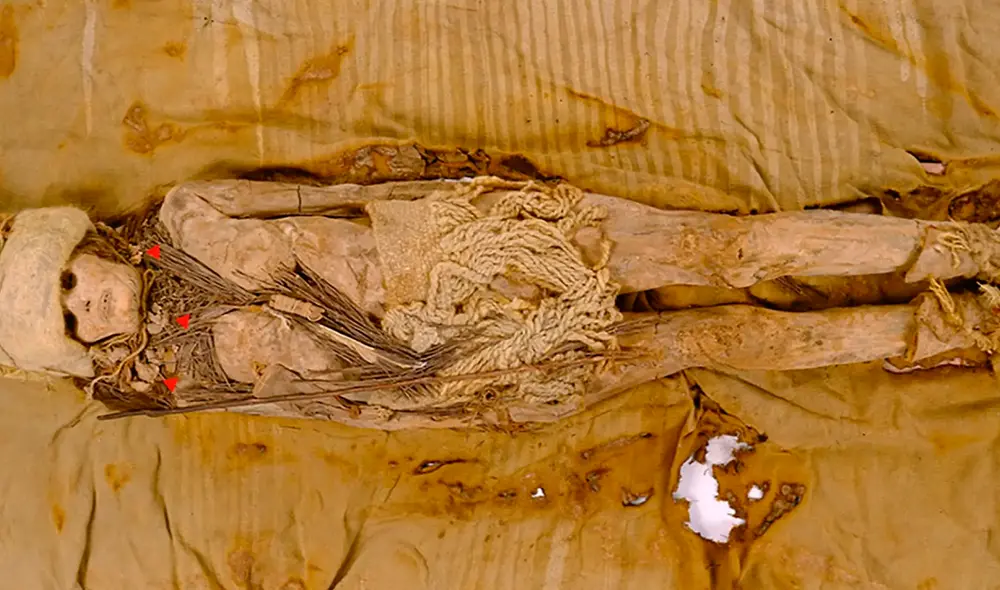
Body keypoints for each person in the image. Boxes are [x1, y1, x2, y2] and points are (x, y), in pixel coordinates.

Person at [1, 176, 996, 429]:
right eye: (74, 326)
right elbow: (327, 406)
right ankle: (955, 325)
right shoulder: (175, 381)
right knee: (714, 335)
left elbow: (329, 198)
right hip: (472, 368)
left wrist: (472, 204)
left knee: (720, 244)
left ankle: (966, 244)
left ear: (84, 242)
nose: (92, 311)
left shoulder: (186, 211)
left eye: (71, 286)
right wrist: (449, 402)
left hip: (470, 252)